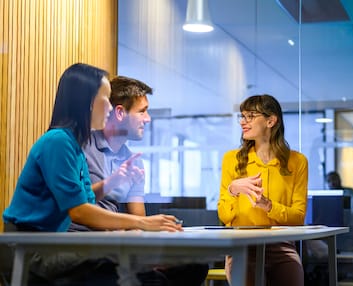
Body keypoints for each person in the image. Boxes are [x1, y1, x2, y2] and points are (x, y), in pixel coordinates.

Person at [2, 63, 181, 285]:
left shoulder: (74, 145)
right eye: (106, 99)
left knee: (149, 275)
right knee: (140, 277)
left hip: (47, 245)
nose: (110, 107)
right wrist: (142, 223)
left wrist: (113, 182)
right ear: (87, 103)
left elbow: (85, 199)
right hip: (30, 251)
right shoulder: (58, 141)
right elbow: (79, 212)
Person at [69, 75, 208, 286]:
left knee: (194, 267)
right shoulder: (80, 147)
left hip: (115, 245)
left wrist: (154, 228)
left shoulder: (133, 161)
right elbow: (78, 208)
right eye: (142, 111)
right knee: (154, 280)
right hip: (82, 245)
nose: (148, 118)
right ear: (119, 113)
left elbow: (138, 218)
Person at [217, 94, 308, 286]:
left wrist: (268, 206)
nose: (243, 122)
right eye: (242, 116)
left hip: (282, 245)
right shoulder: (231, 159)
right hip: (242, 245)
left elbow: (298, 217)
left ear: (270, 120)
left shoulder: (297, 162)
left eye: (250, 116)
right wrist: (233, 190)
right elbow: (224, 216)